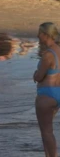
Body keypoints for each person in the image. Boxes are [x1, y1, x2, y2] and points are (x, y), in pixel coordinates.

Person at [35, 22, 60, 157]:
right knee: (49, 131)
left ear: (46, 35)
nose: (38, 36)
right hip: (58, 92)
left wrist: (35, 74)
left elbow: (39, 76)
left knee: (46, 131)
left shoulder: (48, 55)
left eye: (40, 33)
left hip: (46, 94)